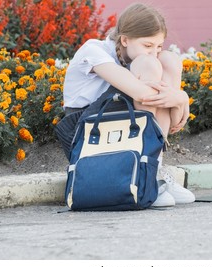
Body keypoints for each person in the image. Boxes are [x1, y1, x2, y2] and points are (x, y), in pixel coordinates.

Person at [62, 2, 195, 207]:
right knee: (149, 65)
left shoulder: (139, 58)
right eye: (147, 45)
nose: (153, 52)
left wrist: (179, 98)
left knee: (169, 60)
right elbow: (142, 95)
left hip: (119, 124)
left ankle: (152, 170)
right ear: (125, 40)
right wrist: (180, 98)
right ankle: (147, 176)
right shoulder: (93, 50)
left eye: (158, 46)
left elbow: (176, 122)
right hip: (86, 129)